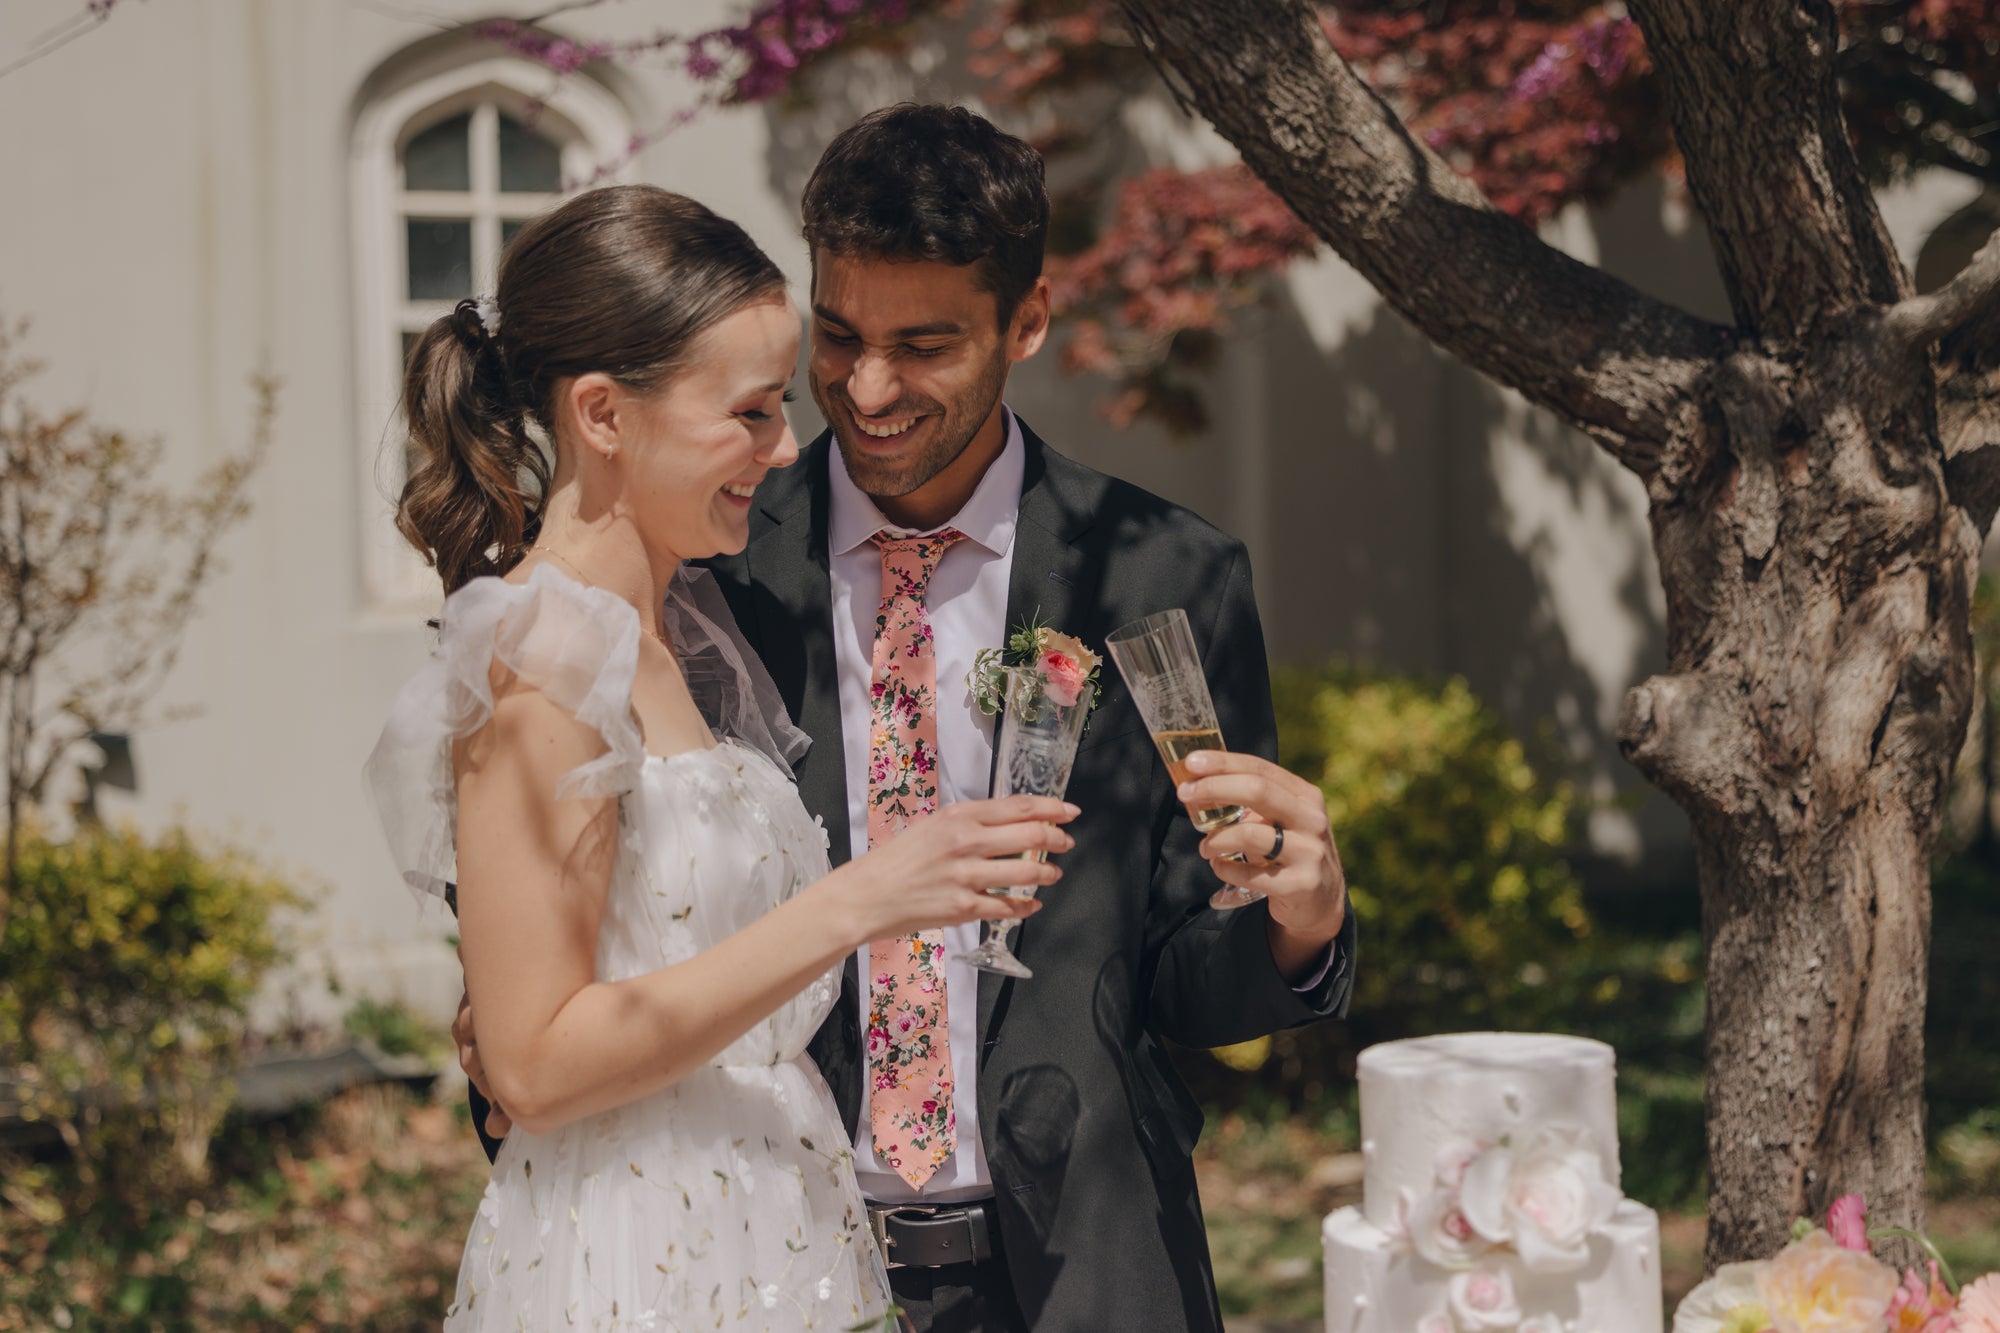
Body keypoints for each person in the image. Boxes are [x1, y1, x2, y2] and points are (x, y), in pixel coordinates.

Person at [365, 183, 1078, 1332]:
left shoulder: (679, 629)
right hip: (635, 1263)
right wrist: (862, 899)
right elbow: (534, 1065)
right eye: (747, 414)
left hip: (767, 1234)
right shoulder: (541, 657)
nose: (785, 446)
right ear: (603, 413)